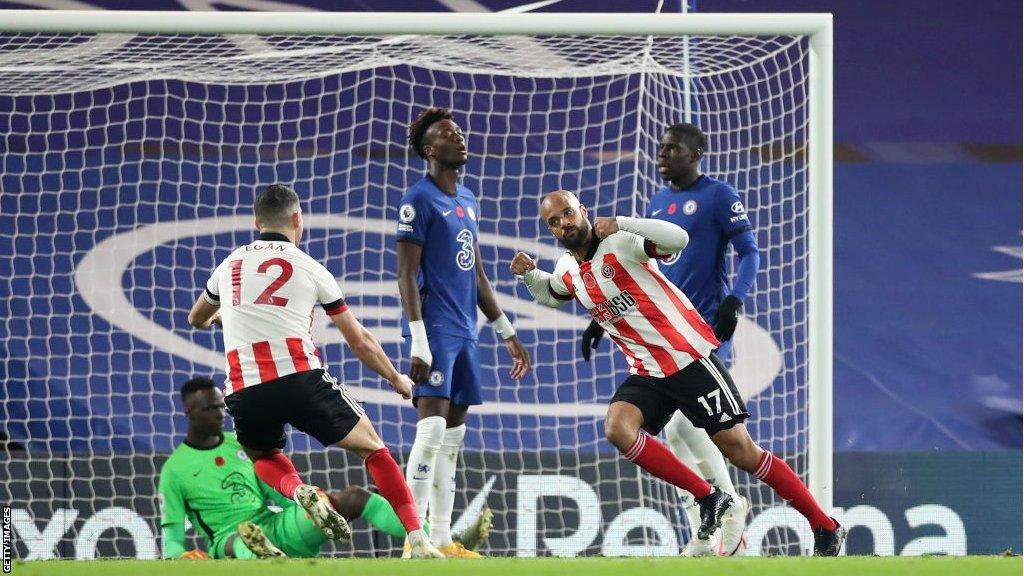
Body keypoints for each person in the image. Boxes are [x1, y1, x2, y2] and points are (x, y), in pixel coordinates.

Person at [511, 190, 845, 557]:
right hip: (647, 370)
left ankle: (825, 526)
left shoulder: (620, 241)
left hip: (686, 358)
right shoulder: (566, 268)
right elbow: (552, 293)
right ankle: (709, 497)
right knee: (617, 428)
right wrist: (529, 276)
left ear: (583, 210)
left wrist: (622, 222)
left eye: (568, 213)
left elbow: (678, 239)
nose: (564, 224)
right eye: (554, 222)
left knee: (743, 453)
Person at [187, 184, 443, 558]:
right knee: (373, 450)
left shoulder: (229, 265)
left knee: (262, 456)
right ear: (297, 220)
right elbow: (360, 341)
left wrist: (221, 318)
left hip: (245, 390)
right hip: (300, 379)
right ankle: (418, 539)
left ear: (258, 222)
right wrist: (395, 378)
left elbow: (196, 318)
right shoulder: (310, 268)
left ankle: (296, 490)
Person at [580, 123, 761, 556]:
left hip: (701, 332)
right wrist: (600, 317)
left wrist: (735, 299)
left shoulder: (719, 196)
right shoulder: (658, 202)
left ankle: (728, 506)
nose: (662, 154)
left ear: (696, 152)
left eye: (672, 148)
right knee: (676, 434)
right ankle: (711, 518)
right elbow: (641, 267)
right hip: (657, 333)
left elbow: (750, 251)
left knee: (683, 424)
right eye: (660, 148)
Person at [396, 107, 532, 558]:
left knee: (452, 441)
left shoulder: (469, 199)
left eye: (459, 132)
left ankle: (440, 538)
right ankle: (414, 540)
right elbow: (406, 274)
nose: (459, 138)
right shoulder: (418, 199)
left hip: (466, 331)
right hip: (434, 328)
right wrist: (417, 338)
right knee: (430, 433)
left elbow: (475, 272)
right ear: (430, 150)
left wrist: (505, 330)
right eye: (448, 135)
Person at [158, 377, 493, 560]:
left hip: (276, 524)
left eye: (221, 406)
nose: (220, 413)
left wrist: (311, 506)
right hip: (226, 540)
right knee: (239, 542)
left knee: (354, 497)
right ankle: (264, 557)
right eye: (209, 408)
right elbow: (172, 536)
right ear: (189, 411)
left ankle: (431, 539)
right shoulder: (175, 470)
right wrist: (181, 556)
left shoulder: (241, 443)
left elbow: (272, 490)